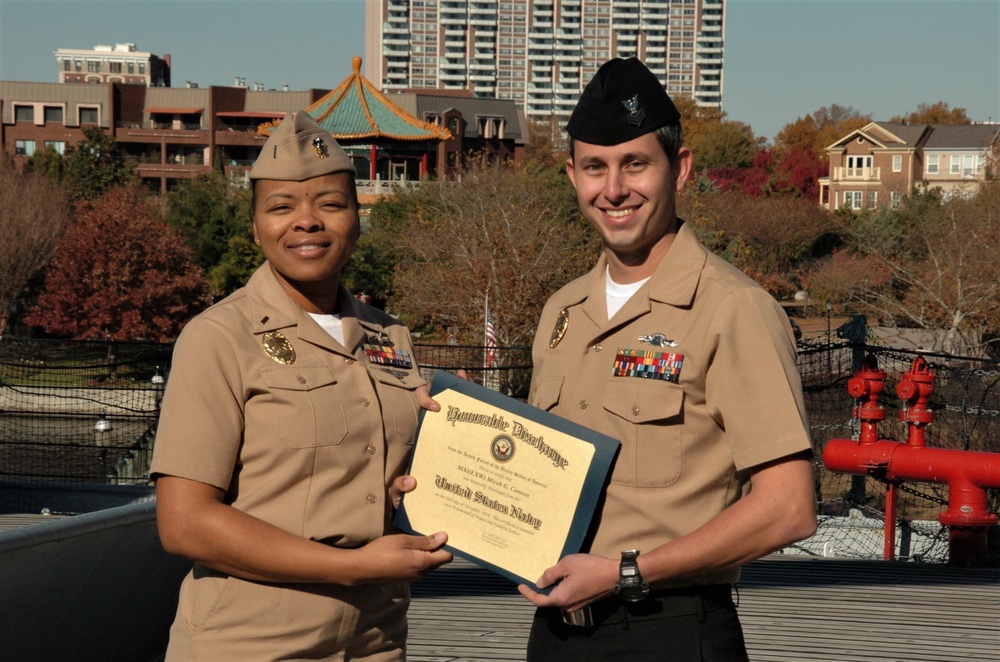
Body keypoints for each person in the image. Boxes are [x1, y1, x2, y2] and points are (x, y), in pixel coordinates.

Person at [518, 58, 817, 660]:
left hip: (669, 629)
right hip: (557, 632)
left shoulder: (732, 307)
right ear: (571, 175)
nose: (614, 189)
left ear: (678, 168)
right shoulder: (562, 311)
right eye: (594, 168)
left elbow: (788, 510)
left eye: (635, 163)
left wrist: (628, 571)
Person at [149, 111, 452, 661]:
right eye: (281, 206)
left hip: (375, 639)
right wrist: (353, 566)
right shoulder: (218, 338)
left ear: (358, 218)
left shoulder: (390, 337)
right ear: (256, 225)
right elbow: (184, 523)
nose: (306, 222)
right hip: (252, 643)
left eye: (330, 204)